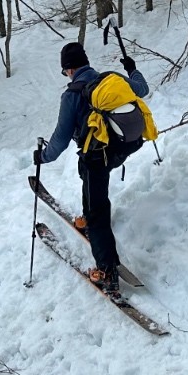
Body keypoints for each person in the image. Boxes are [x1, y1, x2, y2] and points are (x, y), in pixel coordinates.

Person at [35, 40, 150, 299]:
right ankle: (88, 217)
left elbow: (61, 139)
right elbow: (142, 89)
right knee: (86, 171)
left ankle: (107, 271)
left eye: (65, 71)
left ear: (69, 69)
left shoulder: (72, 95)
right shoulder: (113, 81)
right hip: (126, 145)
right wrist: (132, 70)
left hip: (99, 156)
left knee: (97, 208)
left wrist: (42, 157)